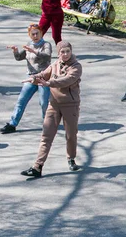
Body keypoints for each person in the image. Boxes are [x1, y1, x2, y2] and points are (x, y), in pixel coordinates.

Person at [20, 41, 82, 178]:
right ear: (58, 53)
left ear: (71, 51)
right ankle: (37, 166)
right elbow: (44, 74)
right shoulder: (54, 65)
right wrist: (34, 78)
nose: (65, 54)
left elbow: (67, 80)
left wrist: (49, 83)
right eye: (62, 52)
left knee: (71, 135)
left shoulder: (76, 66)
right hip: (53, 105)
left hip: (70, 105)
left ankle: (71, 159)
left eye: (67, 51)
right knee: (46, 136)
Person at [0, 24, 52, 134]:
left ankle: (48, 124)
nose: (35, 36)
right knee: (21, 101)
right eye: (33, 34)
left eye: (37, 33)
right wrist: (15, 51)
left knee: (44, 103)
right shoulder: (29, 45)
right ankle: (12, 124)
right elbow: (19, 58)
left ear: (41, 33)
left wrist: (34, 51)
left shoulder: (46, 44)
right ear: (29, 35)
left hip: (43, 77)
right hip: (31, 78)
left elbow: (47, 56)